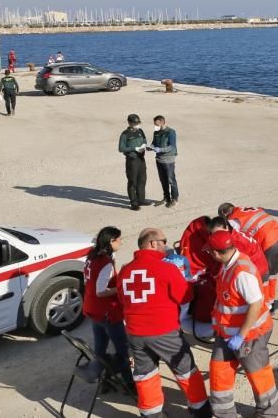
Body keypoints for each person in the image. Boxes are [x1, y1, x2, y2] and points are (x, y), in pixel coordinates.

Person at [116, 228, 211, 418]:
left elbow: (121, 298)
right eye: (164, 241)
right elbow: (186, 296)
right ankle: (200, 410)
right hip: (165, 332)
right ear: (152, 243)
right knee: (186, 370)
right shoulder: (167, 269)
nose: (166, 245)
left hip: (135, 334)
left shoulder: (125, 270)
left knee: (146, 376)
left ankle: (151, 414)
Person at [207, 230, 278, 418]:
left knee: (258, 374)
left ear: (216, 253)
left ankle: (268, 412)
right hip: (227, 334)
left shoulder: (241, 272)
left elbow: (255, 304)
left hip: (249, 335)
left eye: (210, 252)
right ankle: (224, 413)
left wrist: (240, 335)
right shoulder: (228, 264)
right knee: (219, 371)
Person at [82, 226, 134, 391]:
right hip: (107, 311)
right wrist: (119, 289)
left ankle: (105, 381)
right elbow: (100, 291)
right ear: (111, 241)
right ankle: (129, 384)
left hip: (92, 309)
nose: (121, 242)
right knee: (122, 350)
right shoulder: (105, 263)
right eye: (119, 239)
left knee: (100, 348)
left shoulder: (92, 256)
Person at [217, 203, 278, 311]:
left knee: (264, 275)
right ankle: (271, 301)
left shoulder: (233, 219)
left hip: (269, 242)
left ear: (224, 213)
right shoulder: (245, 210)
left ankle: (265, 306)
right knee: (273, 274)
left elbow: (232, 237)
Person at [208, 216, 269, 280]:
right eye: (214, 234)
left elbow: (235, 263)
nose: (217, 236)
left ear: (226, 227)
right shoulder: (234, 233)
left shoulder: (235, 242)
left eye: (220, 232)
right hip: (258, 265)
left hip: (258, 271)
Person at [118, 114, 148, 210]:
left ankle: (141, 200)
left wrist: (144, 146)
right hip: (132, 161)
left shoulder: (140, 131)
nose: (137, 125)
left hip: (141, 159)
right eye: (135, 123)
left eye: (138, 123)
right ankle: (134, 203)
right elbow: (121, 148)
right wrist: (134, 148)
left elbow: (144, 140)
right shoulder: (125, 134)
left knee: (142, 180)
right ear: (129, 123)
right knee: (132, 182)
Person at [150, 115, 179, 208]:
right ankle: (166, 198)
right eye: (154, 124)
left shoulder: (170, 132)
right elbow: (154, 143)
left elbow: (172, 146)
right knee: (163, 180)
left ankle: (175, 199)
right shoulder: (156, 132)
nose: (155, 126)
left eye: (156, 124)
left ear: (162, 122)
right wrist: (150, 147)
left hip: (168, 159)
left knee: (171, 179)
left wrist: (160, 149)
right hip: (159, 159)